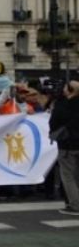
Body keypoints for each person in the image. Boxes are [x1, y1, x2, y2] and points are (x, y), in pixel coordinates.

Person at [50, 80, 79, 215]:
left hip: (67, 144)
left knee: (68, 175)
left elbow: (54, 122)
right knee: (76, 175)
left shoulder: (63, 105)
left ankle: (75, 205)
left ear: (69, 90)